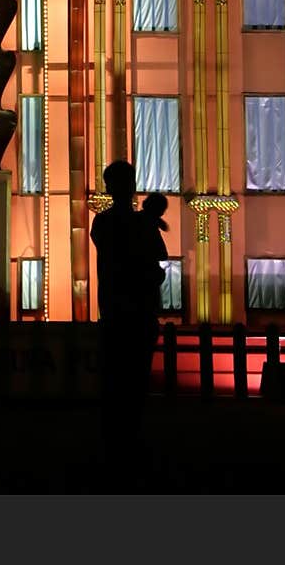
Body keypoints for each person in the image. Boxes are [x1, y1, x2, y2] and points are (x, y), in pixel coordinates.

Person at [91, 161, 168, 456]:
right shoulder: (137, 224)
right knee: (134, 380)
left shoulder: (104, 223)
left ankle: (115, 439)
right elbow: (156, 259)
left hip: (114, 311)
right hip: (138, 312)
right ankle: (129, 438)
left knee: (116, 379)